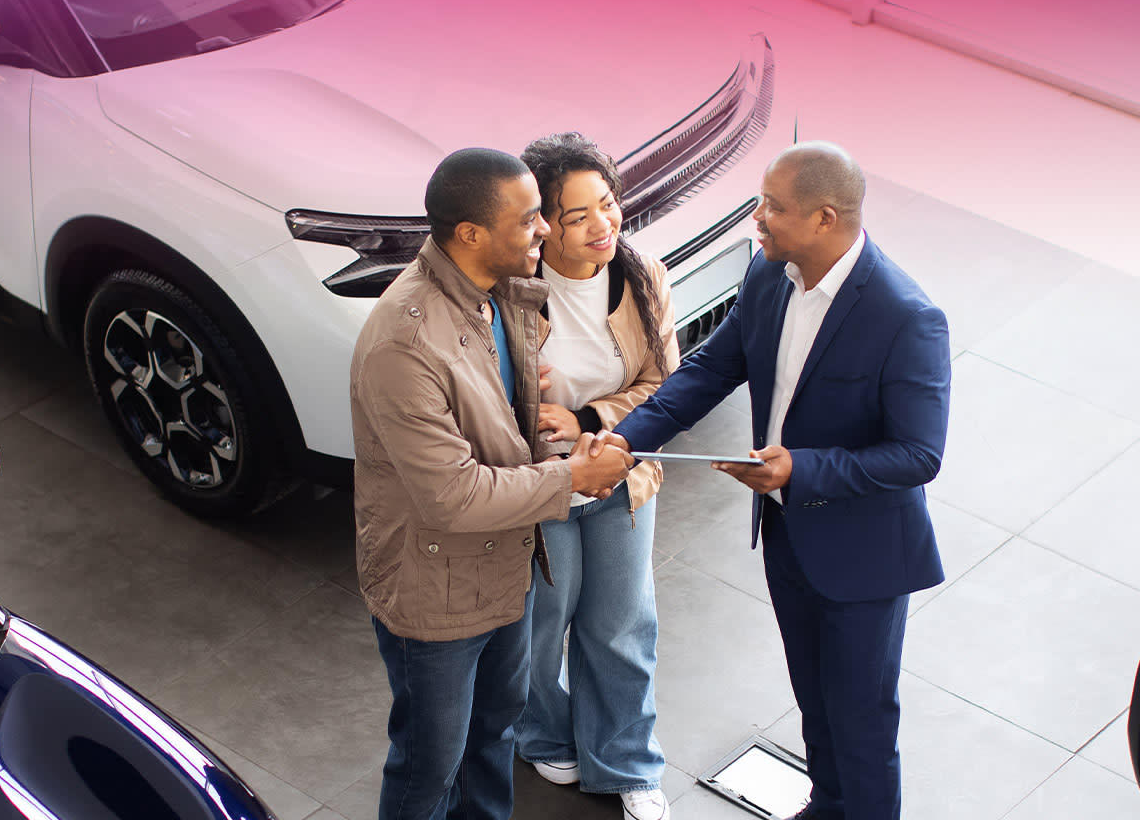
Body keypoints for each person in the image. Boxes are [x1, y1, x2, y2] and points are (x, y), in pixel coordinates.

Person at [597, 141, 950, 820]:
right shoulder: (769, 273)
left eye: (773, 207)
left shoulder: (906, 318)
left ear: (824, 218)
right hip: (789, 533)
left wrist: (801, 468)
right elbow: (709, 369)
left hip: (864, 558)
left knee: (862, 720)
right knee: (815, 699)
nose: (757, 219)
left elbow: (918, 454)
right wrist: (627, 440)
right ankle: (827, 805)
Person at [350, 146, 633, 820]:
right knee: (429, 768)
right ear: (470, 235)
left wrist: (560, 432)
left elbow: (502, 432)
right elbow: (452, 496)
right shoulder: (404, 345)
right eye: (530, 218)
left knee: (494, 739)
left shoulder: (498, 295)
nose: (545, 230)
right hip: (437, 597)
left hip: (506, 572)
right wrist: (572, 477)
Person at [512, 133, 678, 820]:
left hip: (617, 476)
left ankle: (627, 762)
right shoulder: (509, 293)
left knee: (621, 623)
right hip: (540, 486)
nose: (603, 225)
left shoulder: (642, 278)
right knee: (539, 625)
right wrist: (530, 410)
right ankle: (542, 732)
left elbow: (663, 385)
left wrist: (588, 418)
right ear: (543, 223)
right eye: (578, 215)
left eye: (607, 205)